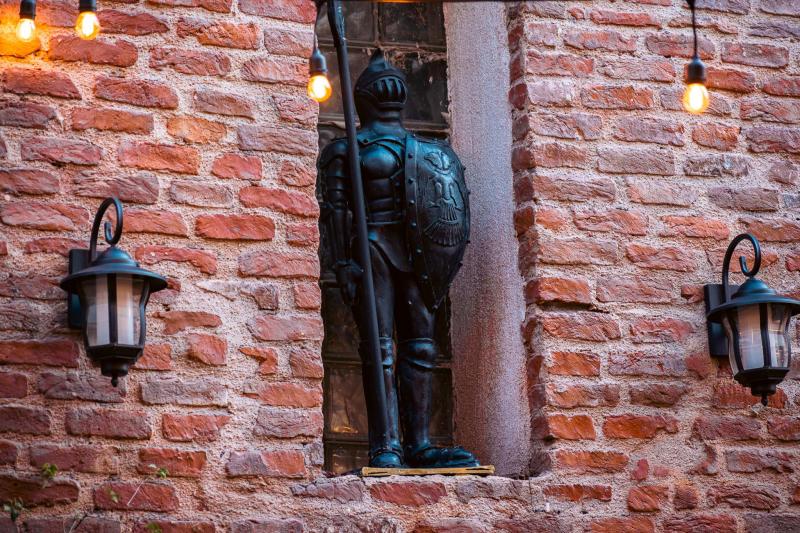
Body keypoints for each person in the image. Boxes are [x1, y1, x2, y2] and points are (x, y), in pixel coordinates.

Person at [318, 50, 478, 469]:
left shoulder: (427, 150)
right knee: (379, 346)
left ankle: (420, 443)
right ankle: (385, 443)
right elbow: (336, 211)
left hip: (417, 251)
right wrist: (342, 263)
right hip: (371, 248)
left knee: (421, 346)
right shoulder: (345, 150)